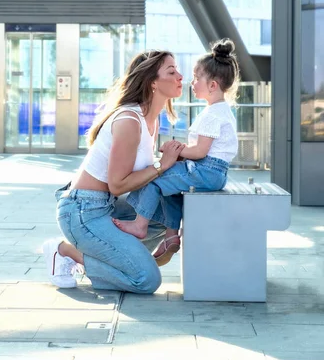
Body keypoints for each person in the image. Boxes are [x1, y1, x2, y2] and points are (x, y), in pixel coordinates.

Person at [42, 50, 184, 293]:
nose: (180, 76)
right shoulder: (129, 120)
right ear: (152, 82)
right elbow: (117, 185)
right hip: (83, 212)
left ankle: (117, 258)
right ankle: (65, 251)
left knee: (164, 214)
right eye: (171, 72)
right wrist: (162, 165)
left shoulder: (152, 120)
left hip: (108, 206)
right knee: (147, 280)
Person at [113, 38, 240, 266]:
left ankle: (140, 224)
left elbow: (201, 151)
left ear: (212, 85)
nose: (191, 82)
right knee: (169, 189)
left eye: (196, 78)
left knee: (156, 178)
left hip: (205, 169)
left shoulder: (212, 114)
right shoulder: (221, 111)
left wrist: (176, 151)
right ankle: (171, 235)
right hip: (212, 171)